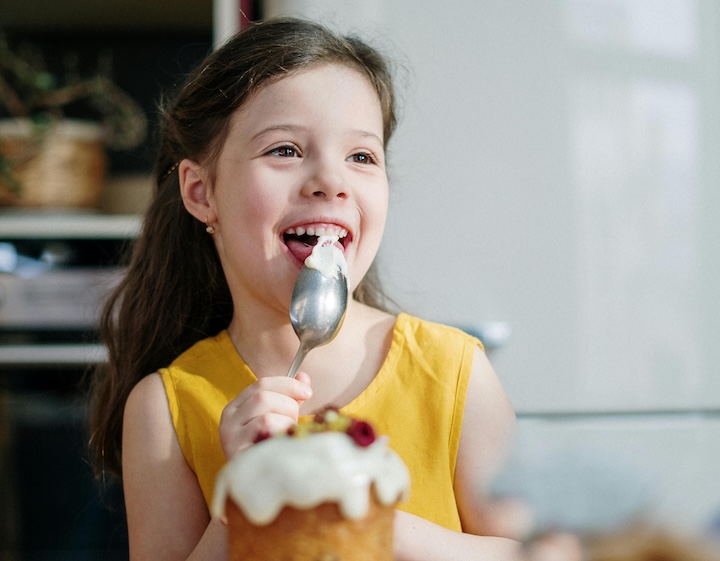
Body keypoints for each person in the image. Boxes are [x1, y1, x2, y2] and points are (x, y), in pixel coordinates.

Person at [88, 17, 526, 561]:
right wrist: (246, 497)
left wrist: (376, 527)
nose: (331, 180)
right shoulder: (165, 409)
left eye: (361, 157)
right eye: (286, 150)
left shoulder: (453, 372)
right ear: (201, 193)